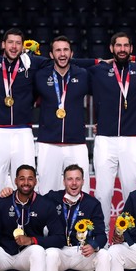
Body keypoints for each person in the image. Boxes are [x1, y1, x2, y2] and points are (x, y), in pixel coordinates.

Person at [0, 28, 48, 227]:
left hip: (23, 132)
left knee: (25, 182)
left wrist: (102, 62)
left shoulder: (32, 64)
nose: (14, 47)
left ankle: (26, 233)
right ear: (3, 44)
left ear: (23, 46)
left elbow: (61, 61)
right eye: (10, 42)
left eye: (18, 43)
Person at [87, 32, 136, 234]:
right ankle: (100, 235)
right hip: (105, 139)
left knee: (133, 190)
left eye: (126, 46)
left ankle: (132, 235)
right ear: (111, 49)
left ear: (131, 49)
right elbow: (72, 62)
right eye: (118, 46)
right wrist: (98, 60)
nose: (122, 49)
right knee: (102, 191)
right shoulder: (100, 70)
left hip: (132, 139)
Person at [42, 164, 109, 271]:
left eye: (77, 179)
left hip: (82, 254)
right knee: (49, 254)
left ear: (83, 181)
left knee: (105, 255)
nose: (73, 183)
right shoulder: (52, 198)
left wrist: (93, 245)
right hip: (60, 253)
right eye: (70, 179)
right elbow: (30, 199)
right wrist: (9, 191)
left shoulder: (92, 204)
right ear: (64, 181)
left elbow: (102, 235)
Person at [35, 36, 91, 195]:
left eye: (66, 50)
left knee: (81, 192)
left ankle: (80, 221)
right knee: (46, 192)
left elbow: (104, 97)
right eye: (58, 50)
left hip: (76, 145)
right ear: (51, 55)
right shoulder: (40, 76)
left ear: (72, 54)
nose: (62, 54)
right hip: (48, 144)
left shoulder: (83, 75)